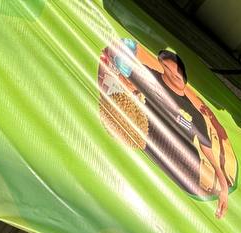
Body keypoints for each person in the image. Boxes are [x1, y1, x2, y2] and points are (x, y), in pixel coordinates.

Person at [99, 39, 234, 219]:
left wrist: (223, 187)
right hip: (149, 151)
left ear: (184, 80)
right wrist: (124, 56)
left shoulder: (195, 115)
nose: (172, 76)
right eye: (168, 71)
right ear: (162, 68)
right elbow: (122, 55)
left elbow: (207, 148)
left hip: (185, 169)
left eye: (176, 75)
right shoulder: (150, 77)